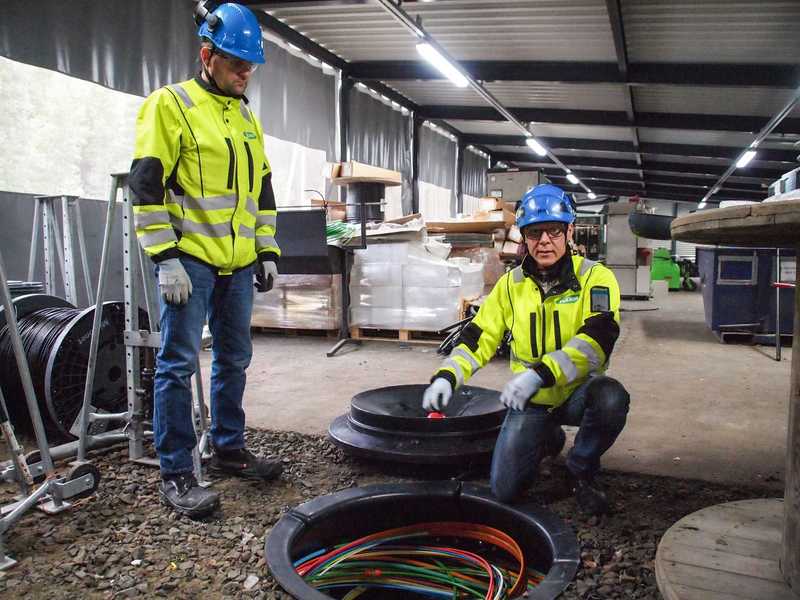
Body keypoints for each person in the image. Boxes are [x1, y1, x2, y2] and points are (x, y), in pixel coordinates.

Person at [129, 2, 282, 519]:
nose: (245, 73)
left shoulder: (244, 117)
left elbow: (261, 189)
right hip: (189, 261)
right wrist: (165, 258)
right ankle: (176, 472)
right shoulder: (168, 105)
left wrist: (265, 249)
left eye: (250, 65)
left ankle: (229, 450)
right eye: (237, 62)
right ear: (207, 55)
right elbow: (146, 186)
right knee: (176, 364)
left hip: (237, 265)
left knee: (234, 360)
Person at [422, 184, 629, 515]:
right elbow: (479, 336)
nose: (544, 241)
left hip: (577, 393)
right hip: (530, 402)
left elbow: (598, 338)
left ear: (569, 231)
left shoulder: (596, 278)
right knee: (505, 491)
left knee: (611, 398)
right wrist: (447, 376)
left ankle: (581, 467)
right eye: (534, 232)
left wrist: (541, 374)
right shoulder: (510, 284)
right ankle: (549, 438)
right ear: (524, 236)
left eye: (554, 230)